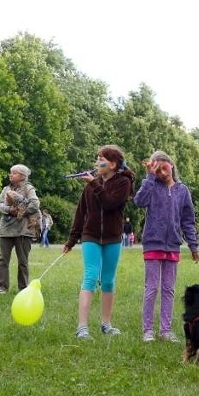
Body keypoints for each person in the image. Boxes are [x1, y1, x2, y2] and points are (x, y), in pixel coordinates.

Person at [63, 145, 135, 339]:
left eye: (100, 159)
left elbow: (110, 203)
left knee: (108, 280)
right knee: (90, 276)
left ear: (112, 164)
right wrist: (71, 240)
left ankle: (106, 324)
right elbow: (80, 213)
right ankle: (82, 327)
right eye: (97, 159)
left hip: (112, 237)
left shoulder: (123, 183)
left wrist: (94, 184)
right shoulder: (90, 186)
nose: (97, 162)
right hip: (90, 236)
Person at [133, 150, 199, 343]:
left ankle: (166, 330)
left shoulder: (182, 190)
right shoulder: (152, 186)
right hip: (152, 243)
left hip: (173, 246)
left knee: (169, 289)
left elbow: (188, 220)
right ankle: (147, 330)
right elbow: (139, 201)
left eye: (165, 167)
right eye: (158, 169)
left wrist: (193, 246)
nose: (163, 173)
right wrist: (149, 177)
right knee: (152, 288)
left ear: (171, 165)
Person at [0, 164, 40, 293]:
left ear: (22, 177)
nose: (11, 175)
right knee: (3, 259)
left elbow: (35, 204)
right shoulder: (6, 189)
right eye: (11, 172)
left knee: (23, 261)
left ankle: (24, 287)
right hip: (6, 229)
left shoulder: (29, 188)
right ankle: (1, 287)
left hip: (23, 230)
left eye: (14, 173)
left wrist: (21, 210)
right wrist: (10, 210)